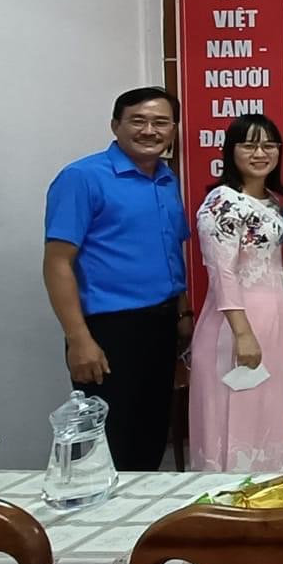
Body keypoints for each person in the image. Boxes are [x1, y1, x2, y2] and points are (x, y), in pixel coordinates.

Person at [41, 86, 191, 472]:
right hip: (108, 332)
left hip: (160, 326)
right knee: (109, 444)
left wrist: (182, 315)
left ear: (174, 129)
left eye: (161, 122)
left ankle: (142, 509)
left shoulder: (166, 179)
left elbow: (171, 252)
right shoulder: (82, 177)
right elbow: (57, 263)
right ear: (115, 125)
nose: (149, 131)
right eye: (138, 121)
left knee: (151, 435)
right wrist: (79, 339)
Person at [188, 114, 283, 474]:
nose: (260, 153)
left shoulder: (273, 201)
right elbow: (222, 272)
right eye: (249, 145)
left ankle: (268, 492)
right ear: (231, 151)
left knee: (266, 412)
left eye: (269, 145)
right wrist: (242, 333)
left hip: (274, 319)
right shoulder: (223, 201)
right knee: (234, 414)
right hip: (235, 323)